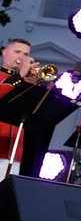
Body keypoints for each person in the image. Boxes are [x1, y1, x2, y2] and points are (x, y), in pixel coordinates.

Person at [0, 38, 37, 179]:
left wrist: (37, 86)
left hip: (15, 154)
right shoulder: (17, 78)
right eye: (17, 52)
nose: (22, 57)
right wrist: (20, 76)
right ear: (5, 52)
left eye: (26, 54)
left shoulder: (26, 82)